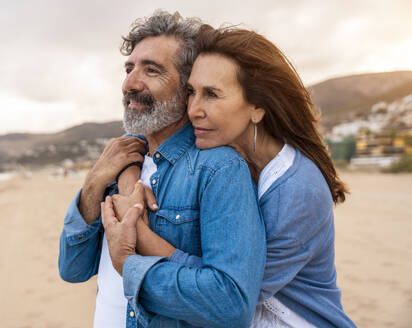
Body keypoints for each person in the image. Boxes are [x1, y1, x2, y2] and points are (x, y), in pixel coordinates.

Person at [111, 25, 357, 327]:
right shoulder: (226, 152)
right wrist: (128, 174)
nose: (194, 110)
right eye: (192, 92)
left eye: (212, 95)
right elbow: (140, 139)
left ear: (257, 109)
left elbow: (231, 290)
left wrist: (135, 234)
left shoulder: (296, 188)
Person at [58, 11, 266, 328]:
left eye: (151, 70)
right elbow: (72, 269)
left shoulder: (219, 168)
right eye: (129, 69)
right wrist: (95, 181)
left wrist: (130, 264)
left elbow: (231, 303)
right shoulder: (119, 161)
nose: (130, 83)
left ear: (188, 89)